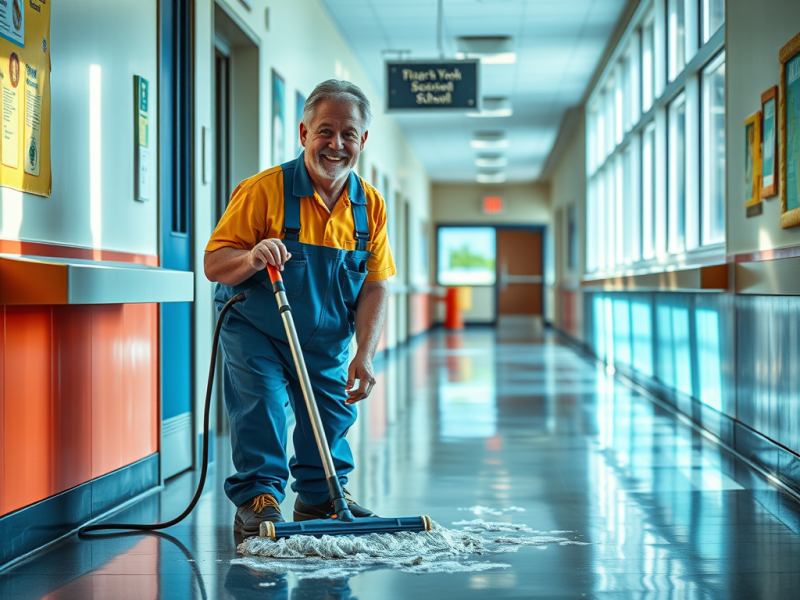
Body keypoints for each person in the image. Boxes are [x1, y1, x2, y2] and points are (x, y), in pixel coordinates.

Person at [204, 80, 395, 536]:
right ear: (303, 132)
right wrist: (251, 256)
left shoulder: (369, 206)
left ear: (362, 140)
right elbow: (214, 262)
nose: (336, 144)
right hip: (255, 324)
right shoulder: (263, 191)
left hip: (326, 335)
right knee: (263, 406)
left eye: (348, 133)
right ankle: (258, 495)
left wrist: (364, 354)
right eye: (324, 131)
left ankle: (319, 495)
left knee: (330, 413)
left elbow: (375, 285)